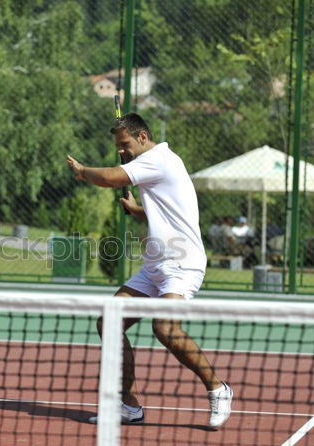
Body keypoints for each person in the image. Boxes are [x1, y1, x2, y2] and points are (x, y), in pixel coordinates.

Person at [66, 112, 232, 429]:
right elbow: (171, 213)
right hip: (155, 265)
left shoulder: (158, 159)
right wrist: (138, 211)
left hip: (182, 265)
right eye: (118, 146)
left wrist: (83, 171)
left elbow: (111, 178)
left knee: (165, 329)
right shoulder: (155, 164)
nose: (121, 151)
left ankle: (218, 389)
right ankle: (130, 408)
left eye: (124, 144)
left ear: (142, 137)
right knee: (110, 322)